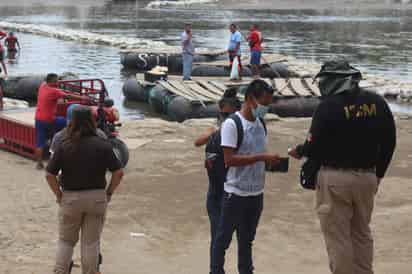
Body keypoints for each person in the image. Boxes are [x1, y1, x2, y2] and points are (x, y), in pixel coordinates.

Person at [288, 60, 396, 274]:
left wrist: (299, 151)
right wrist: (379, 175)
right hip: (367, 178)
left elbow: (314, 145)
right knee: (361, 234)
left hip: (334, 179)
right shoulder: (377, 102)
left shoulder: (328, 107)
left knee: (338, 238)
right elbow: (389, 142)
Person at [211, 79, 280, 274]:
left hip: (256, 193)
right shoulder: (232, 125)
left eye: (268, 104)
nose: (265, 107)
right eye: (264, 103)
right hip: (235, 194)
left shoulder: (260, 124)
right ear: (250, 99)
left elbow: (256, 155)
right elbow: (229, 160)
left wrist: (268, 162)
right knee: (222, 240)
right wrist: (261, 157)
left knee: (247, 240)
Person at [46, 106, 124, 274]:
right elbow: (118, 172)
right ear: (92, 121)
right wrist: (109, 193)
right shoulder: (102, 143)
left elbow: (49, 174)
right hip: (96, 198)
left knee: (66, 241)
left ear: (72, 122)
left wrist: (59, 195)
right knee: (91, 243)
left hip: (71, 198)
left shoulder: (64, 144)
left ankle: (60, 271)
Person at [194, 88, 241, 273]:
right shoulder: (215, 129)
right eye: (223, 115)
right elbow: (197, 141)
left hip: (230, 190)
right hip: (215, 190)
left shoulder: (238, 129)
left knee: (233, 236)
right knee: (217, 237)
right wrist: (217, 131)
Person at [35, 73, 88, 170]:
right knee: (68, 122)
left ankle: (39, 163)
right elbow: (67, 95)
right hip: (50, 119)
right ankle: (68, 142)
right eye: (56, 81)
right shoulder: (54, 91)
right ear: (51, 82)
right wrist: (83, 98)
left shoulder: (42, 86)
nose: (58, 82)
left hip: (38, 118)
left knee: (40, 142)